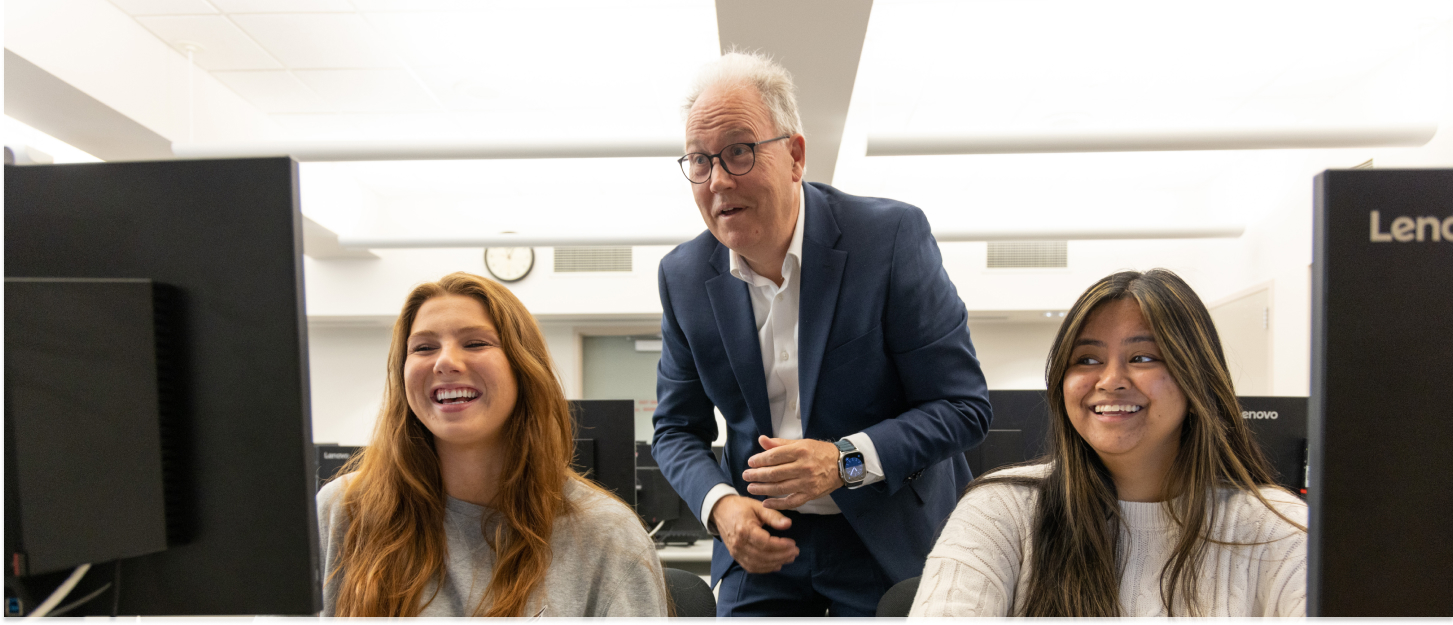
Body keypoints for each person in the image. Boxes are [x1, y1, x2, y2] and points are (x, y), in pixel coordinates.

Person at [652, 51, 993, 617]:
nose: (717, 180)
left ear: (795, 156)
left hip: (885, 539)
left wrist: (844, 462)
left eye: (739, 152)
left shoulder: (888, 240)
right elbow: (674, 429)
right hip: (763, 546)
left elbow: (962, 406)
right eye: (699, 160)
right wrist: (721, 507)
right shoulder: (684, 277)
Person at [910, 269, 1308, 617]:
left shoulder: (1281, 527)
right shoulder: (1000, 510)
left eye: (1143, 357)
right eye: (1086, 360)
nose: (1110, 379)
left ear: (1196, 376)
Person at [316, 272, 668, 617]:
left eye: (476, 343)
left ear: (523, 368)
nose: (445, 362)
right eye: (423, 347)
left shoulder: (607, 535)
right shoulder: (343, 512)